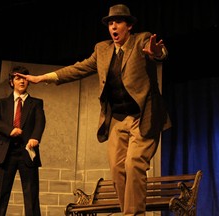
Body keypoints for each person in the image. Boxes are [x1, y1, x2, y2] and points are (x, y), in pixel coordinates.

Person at [17, 4, 171, 216]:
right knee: (118, 170)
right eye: (110, 23)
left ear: (128, 26)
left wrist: (158, 52)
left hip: (142, 116)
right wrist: (44, 78)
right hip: (117, 119)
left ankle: (133, 215)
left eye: (117, 22)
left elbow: (159, 52)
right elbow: (78, 69)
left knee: (134, 164)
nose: (113, 27)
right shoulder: (102, 50)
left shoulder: (141, 40)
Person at [0, 66, 46, 216]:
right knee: (0, 196)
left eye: (24, 78)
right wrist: (9, 130)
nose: (22, 81)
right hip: (6, 153)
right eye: (18, 78)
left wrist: (35, 137)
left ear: (29, 82)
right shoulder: (2, 103)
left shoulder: (36, 103)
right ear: (11, 82)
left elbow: (40, 122)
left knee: (31, 196)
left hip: (27, 152)